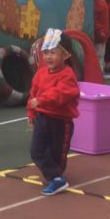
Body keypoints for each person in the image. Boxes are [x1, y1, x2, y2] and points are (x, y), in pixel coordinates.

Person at [27, 29, 79, 196]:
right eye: (46, 52)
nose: (48, 57)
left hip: (60, 121)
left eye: (53, 53)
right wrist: (31, 113)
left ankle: (56, 177)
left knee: (57, 151)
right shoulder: (41, 73)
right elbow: (33, 93)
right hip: (43, 117)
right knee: (37, 150)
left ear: (65, 55)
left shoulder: (67, 75)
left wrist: (42, 100)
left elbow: (61, 93)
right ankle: (55, 176)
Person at [92, 0, 110, 69]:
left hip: (103, 35)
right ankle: (98, 73)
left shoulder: (102, 1)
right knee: (98, 55)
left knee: (101, 55)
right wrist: (100, 31)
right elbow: (95, 19)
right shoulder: (98, 3)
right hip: (100, 36)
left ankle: (100, 72)